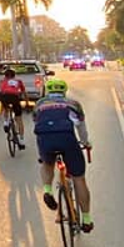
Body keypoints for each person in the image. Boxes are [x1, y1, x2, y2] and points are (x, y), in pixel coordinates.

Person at [33, 78, 94, 232]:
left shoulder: (40, 104)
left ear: (48, 91)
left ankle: (47, 190)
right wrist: (86, 142)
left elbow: (37, 123)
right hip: (67, 140)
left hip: (45, 140)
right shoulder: (73, 104)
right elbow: (81, 128)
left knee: (47, 164)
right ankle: (86, 220)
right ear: (64, 91)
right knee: (79, 178)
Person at [0, 67, 27, 149]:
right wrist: (27, 103)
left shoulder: (2, 81)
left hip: (4, 97)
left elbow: (1, 90)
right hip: (14, 98)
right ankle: (21, 140)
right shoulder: (18, 81)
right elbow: (24, 92)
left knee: (6, 108)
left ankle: (6, 122)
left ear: (5, 76)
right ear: (14, 76)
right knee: (19, 119)